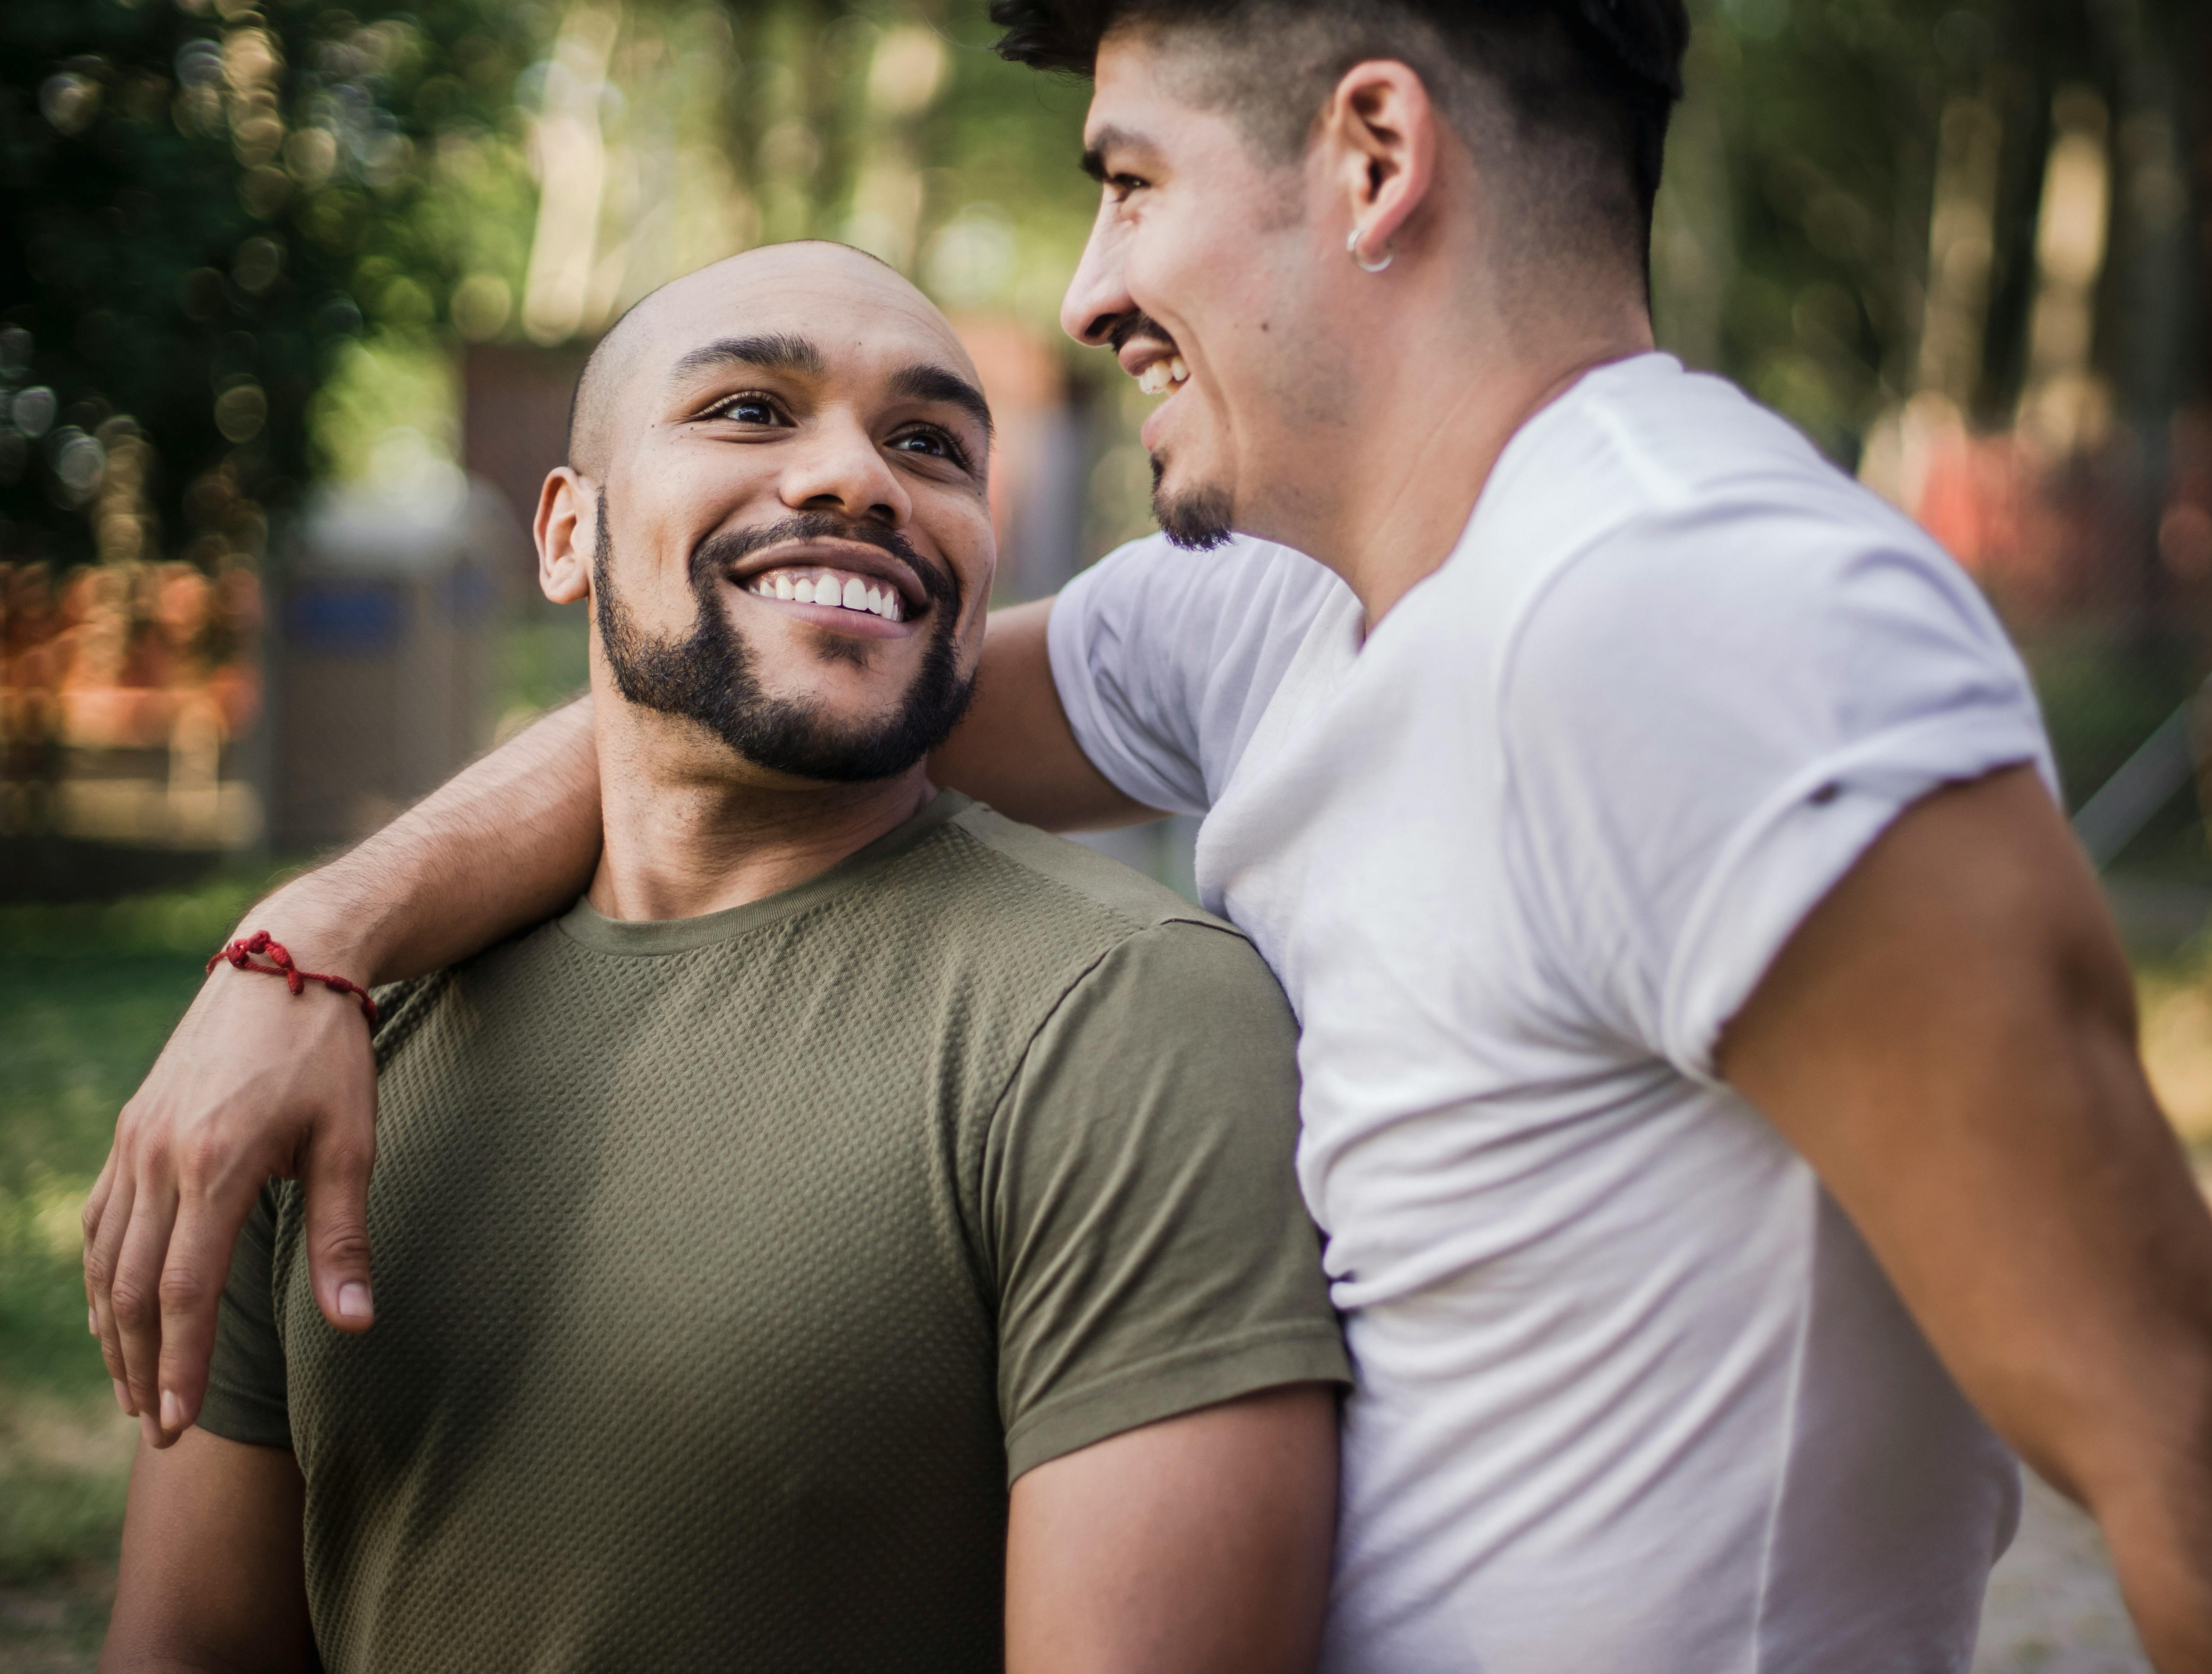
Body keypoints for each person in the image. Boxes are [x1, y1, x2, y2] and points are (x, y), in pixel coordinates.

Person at [89, 0, 2212, 1670]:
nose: (1098, 286)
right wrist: (308, 951)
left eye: (1128, 181)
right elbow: (730, 726)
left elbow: (2210, 1442)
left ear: (1373, 153)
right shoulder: (1285, 615)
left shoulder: (1697, 619)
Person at [97, 242, 1349, 1674]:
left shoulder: (1122, 1018)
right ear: (567, 534)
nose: (859, 479)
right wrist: (300, 951)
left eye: (931, 444)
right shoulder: (317, 1033)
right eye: (750, 410)